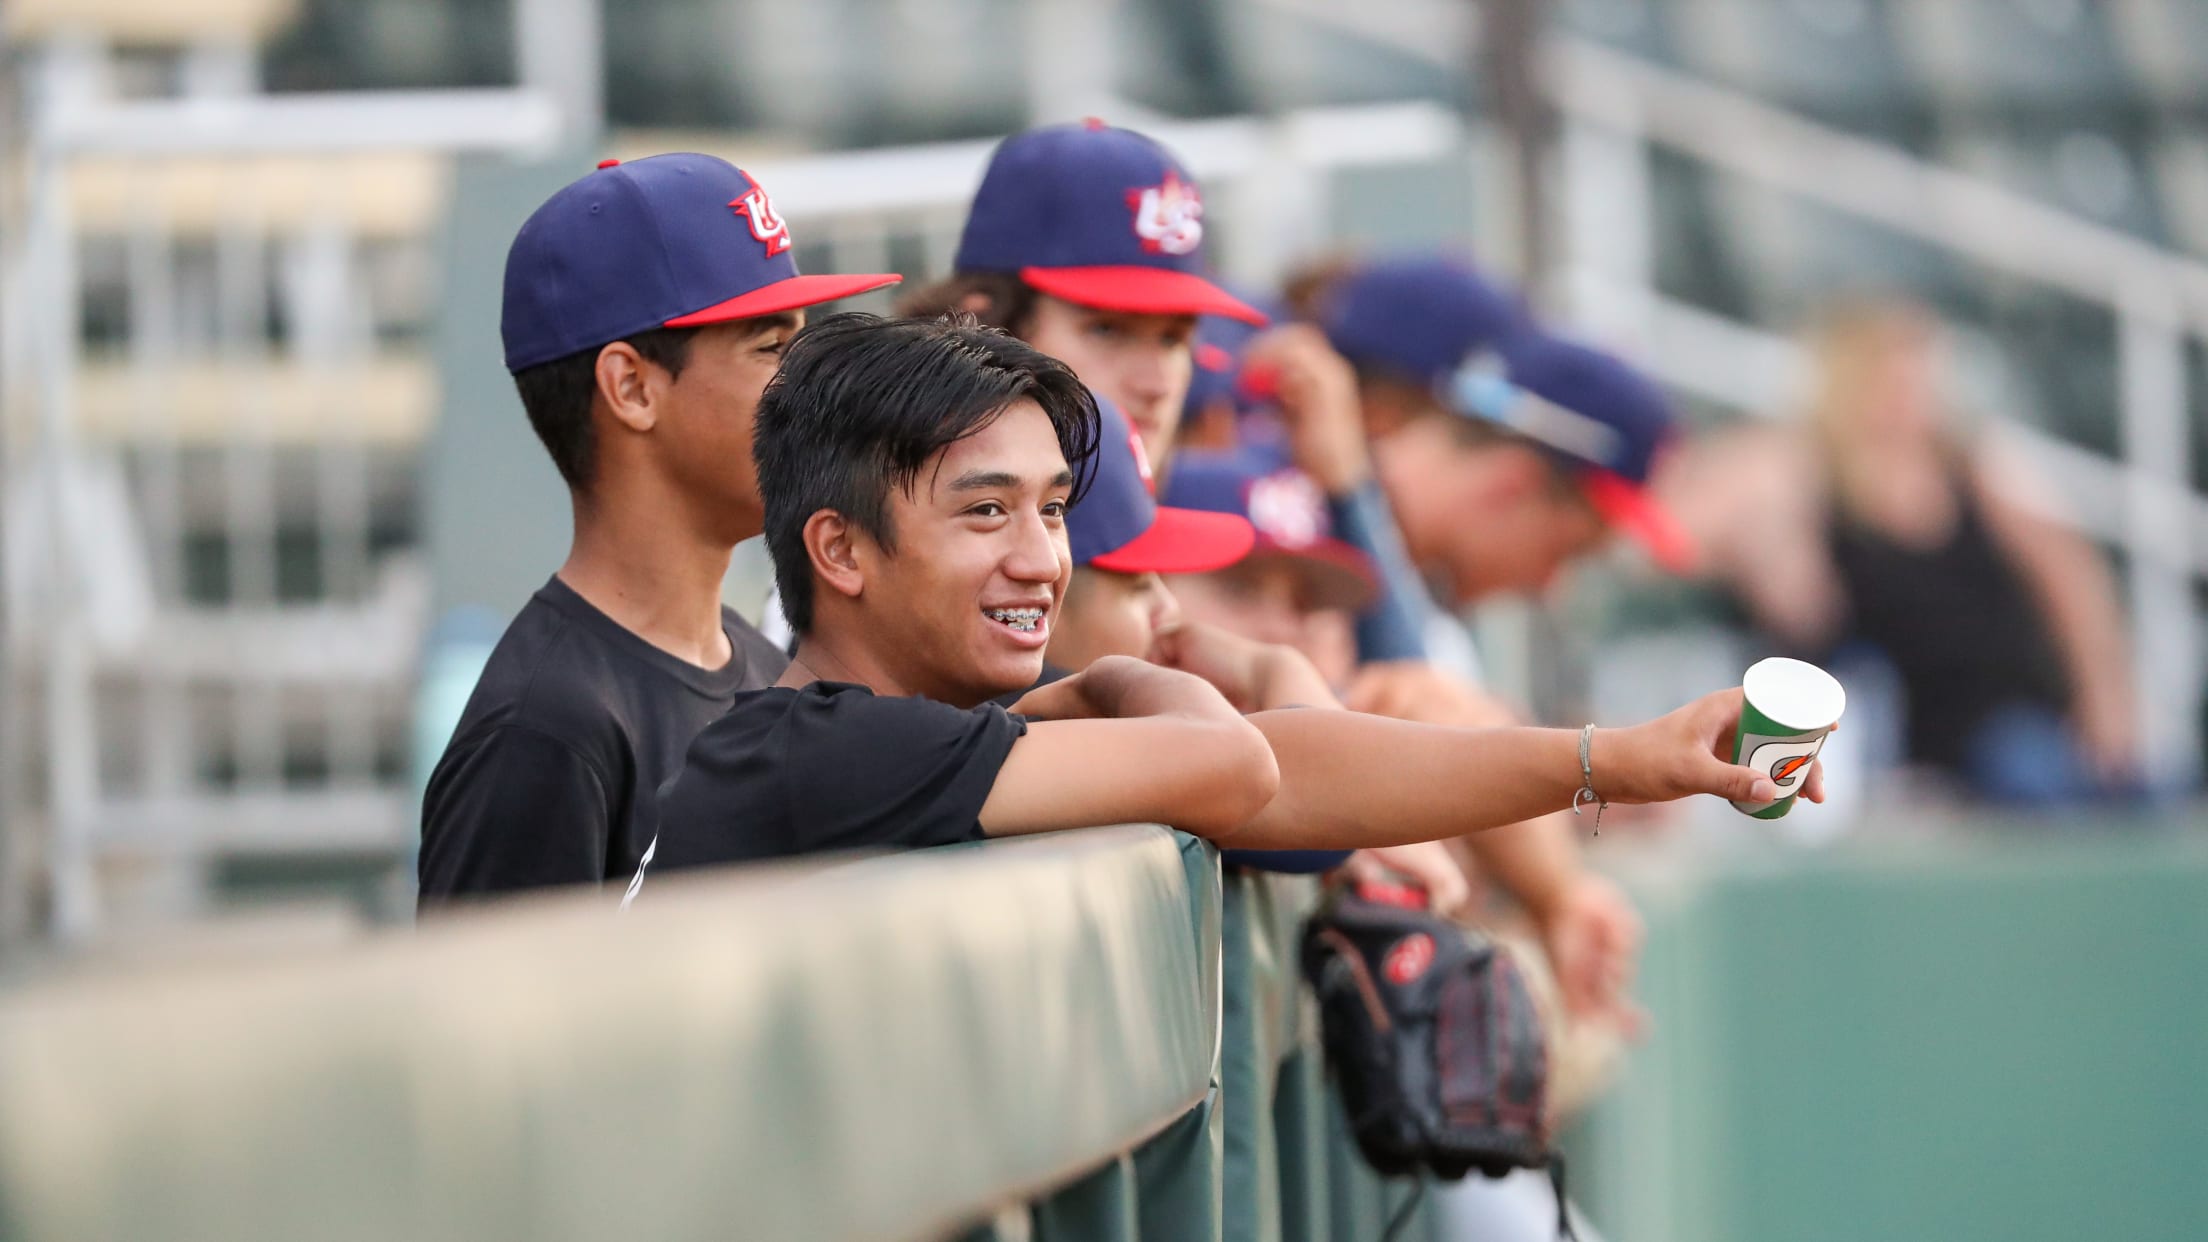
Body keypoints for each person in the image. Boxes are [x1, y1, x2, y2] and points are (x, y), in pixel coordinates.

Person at [640, 314, 1811, 882]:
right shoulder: (828, 741)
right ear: (838, 553)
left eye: (1054, 511)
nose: (1045, 560)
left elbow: (1294, 771)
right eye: (987, 512)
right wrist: (1109, 680)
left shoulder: (909, 730)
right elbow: (1240, 768)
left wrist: (1621, 756)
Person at [416, 154, 900, 907]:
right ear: (632, 387)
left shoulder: (765, 667)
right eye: (773, 349)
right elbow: (484, 1020)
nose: (813, 386)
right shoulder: (543, 732)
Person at [1659, 296, 2141, 803]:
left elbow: (2073, 579)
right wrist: (1761, 550)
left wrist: (2105, 697)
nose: (1910, 394)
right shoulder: (1798, 468)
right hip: (1894, 748)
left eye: (1919, 376)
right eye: (1889, 378)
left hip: (2011, 718)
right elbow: (1675, 532)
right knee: (2029, 775)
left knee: (2127, 792)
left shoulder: (1976, 466)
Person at [897, 118, 1270, 466]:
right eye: (1106, 330)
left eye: (1173, 339)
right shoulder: (886, 518)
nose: (1157, 385)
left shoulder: (1212, 506)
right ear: (981, 331)